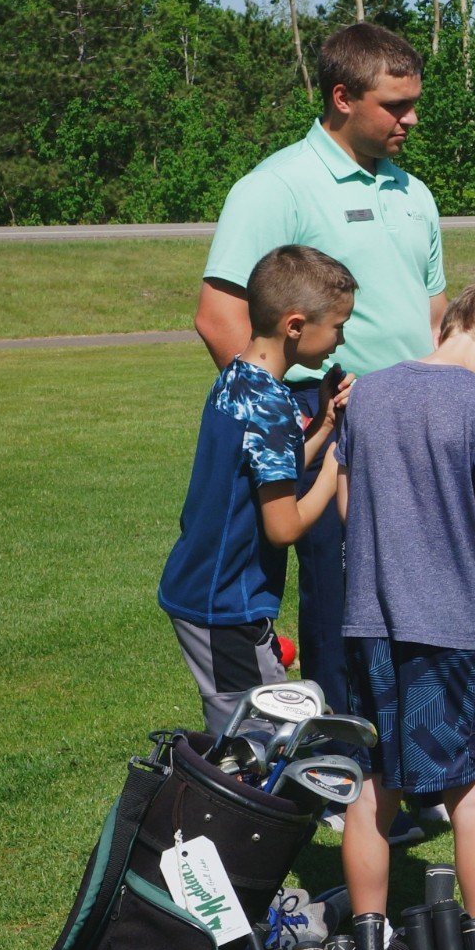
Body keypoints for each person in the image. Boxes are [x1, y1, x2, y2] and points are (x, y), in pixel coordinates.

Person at [193, 25, 446, 766]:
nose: (411, 120)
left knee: (414, 594)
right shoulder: (275, 187)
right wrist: (276, 413)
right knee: (339, 606)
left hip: (413, 417)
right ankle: (339, 773)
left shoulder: (414, 191)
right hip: (319, 416)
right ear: (342, 96)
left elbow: (429, 315)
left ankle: (413, 755)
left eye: (415, 104)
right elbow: (219, 315)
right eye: (394, 105)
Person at [334, 277, 475, 950]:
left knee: (374, 788)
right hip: (454, 631)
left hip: (369, 625)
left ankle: (369, 936)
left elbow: (345, 507)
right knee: (472, 791)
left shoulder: (364, 392)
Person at [158, 245, 356, 738]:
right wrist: (337, 464)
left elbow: (272, 471)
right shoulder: (272, 407)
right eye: (336, 325)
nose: (341, 339)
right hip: (225, 604)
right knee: (266, 736)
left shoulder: (242, 381)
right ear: (295, 326)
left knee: (258, 729)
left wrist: (326, 423)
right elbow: (283, 525)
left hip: (210, 591)